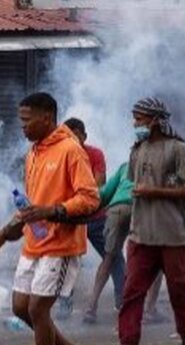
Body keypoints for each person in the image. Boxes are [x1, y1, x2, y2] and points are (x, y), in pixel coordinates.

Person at [0, 92, 98, 345]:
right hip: (34, 242)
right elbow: (30, 205)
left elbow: (89, 197)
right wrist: (5, 231)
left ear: (47, 118)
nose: (21, 127)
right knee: (20, 307)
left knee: (37, 309)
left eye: (26, 120)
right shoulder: (33, 153)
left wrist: (52, 211)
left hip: (61, 244)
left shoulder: (70, 150)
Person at [101, 97, 185, 345]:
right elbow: (134, 183)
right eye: (135, 119)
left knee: (179, 289)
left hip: (172, 234)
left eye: (141, 119)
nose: (136, 124)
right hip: (141, 234)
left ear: (157, 120)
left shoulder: (178, 149)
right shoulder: (138, 150)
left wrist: (154, 192)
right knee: (132, 292)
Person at [57, 117, 126, 322]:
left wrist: (78, 201)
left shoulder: (95, 154)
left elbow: (99, 184)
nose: (70, 140)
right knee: (66, 260)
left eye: (75, 136)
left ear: (84, 136)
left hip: (95, 216)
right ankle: (65, 304)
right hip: (70, 217)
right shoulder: (60, 156)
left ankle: (121, 302)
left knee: (113, 256)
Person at [87, 160, 165, 325]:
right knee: (156, 261)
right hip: (140, 208)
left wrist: (85, 206)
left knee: (109, 259)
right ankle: (149, 310)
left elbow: (105, 193)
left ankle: (91, 309)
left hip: (116, 209)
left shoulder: (126, 165)